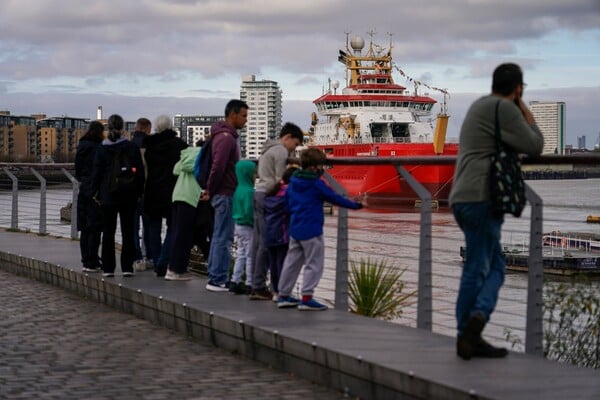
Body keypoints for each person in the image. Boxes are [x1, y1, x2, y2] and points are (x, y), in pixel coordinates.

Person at [449, 63, 543, 360]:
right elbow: (535, 144)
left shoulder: (480, 105)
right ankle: (470, 329)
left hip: (462, 195)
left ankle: (470, 333)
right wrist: (523, 106)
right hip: (481, 198)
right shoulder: (504, 109)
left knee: (492, 265)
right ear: (518, 87)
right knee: (480, 267)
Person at [277, 148, 363, 310]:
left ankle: (283, 295)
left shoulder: (293, 181)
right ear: (316, 167)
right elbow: (335, 198)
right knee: (314, 264)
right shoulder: (317, 184)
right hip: (312, 230)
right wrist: (356, 205)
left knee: (291, 262)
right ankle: (307, 297)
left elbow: (286, 204)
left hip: (295, 228)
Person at [250, 122, 304, 300]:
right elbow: (281, 179)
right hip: (269, 196)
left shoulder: (268, 149)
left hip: (258, 193)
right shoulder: (280, 151)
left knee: (259, 242)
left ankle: (256, 284)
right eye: (295, 144)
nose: (293, 150)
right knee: (269, 243)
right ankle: (267, 287)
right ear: (287, 137)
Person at [91, 114, 145, 278]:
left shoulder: (101, 149)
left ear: (108, 128)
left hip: (108, 195)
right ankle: (127, 267)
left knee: (108, 232)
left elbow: (96, 174)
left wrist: (95, 193)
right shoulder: (131, 147)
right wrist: (139, 192)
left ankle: (108, 268)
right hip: (128, 194)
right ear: (122, 128)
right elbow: (140, 173)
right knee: (128, 231)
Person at [203, 99, 248, 292]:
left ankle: (215, 276)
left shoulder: (220, 136)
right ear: (233, 115)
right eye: (244, 116)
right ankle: (217, 279)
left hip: (222, 192)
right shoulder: (226, 138)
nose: (246, 120)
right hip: (225, 192)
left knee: (218, 236)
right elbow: (218, 166)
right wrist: (210, 189)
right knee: (224, 237)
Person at [143, 115, 188, 277]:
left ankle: (156, 260)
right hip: (173, 190)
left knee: (153, 228)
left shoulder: (150, 145)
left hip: (152, 190)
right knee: (174, 227)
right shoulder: (180, 146)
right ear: (170, 126)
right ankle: (164, 261)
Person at [165, 145, 202, 281]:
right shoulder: (200, 154)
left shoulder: (187, 153)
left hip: (178, 195)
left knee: (178, 234)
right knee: (184, 236)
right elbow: (189, 167)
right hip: (189, 197)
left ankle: (173, 268)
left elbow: (176, 169)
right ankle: (176, 270)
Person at [263, 165, 298, 299]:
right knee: (283, 263)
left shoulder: (271, 194)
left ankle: (275, 291)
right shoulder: (289, 195)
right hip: (283, 233)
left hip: (269, 233)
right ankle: (283, 292)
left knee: (273, 263)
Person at [75, 120, 105, 273]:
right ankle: (92, 261)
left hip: (83, 188)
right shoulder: (99, 147)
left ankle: (85, 260)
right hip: (95, 190)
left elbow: (77, 170)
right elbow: (100, 169)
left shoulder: (82, 146)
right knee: (95, 226)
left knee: (85, 228)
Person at [229, 159, 256, 295]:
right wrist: (255, 222)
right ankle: (250, 283)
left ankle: (235, 281)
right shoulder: (250, 191)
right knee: (251, 255)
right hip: (248, 226)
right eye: (254, 173)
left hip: (237, 224)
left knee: (241, 253)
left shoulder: (238, 189)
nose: (255, 176)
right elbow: (249, 210)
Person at [131, 117, 152, 271]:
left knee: (133, 228)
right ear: (147, 129)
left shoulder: (128, 146)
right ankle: (150, 257)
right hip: (148, 191)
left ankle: (137, 258)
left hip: (130, 193)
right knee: (149, 226)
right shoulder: (151, 146)